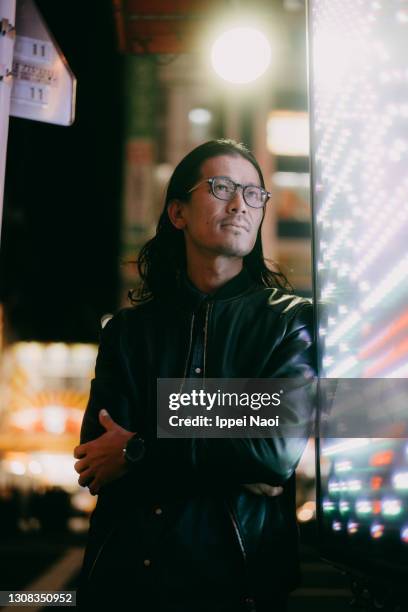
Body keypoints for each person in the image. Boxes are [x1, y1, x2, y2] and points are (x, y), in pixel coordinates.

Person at [74, 139, 316, 611]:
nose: (239, 204)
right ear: (178, 212)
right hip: (126, 585)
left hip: (239, 586)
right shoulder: (128, 330)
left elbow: (271, 453)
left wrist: (138, 446)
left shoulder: (290, 321)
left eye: (253, 193)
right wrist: (233, 437)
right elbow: (96, 458)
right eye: (221, 186)